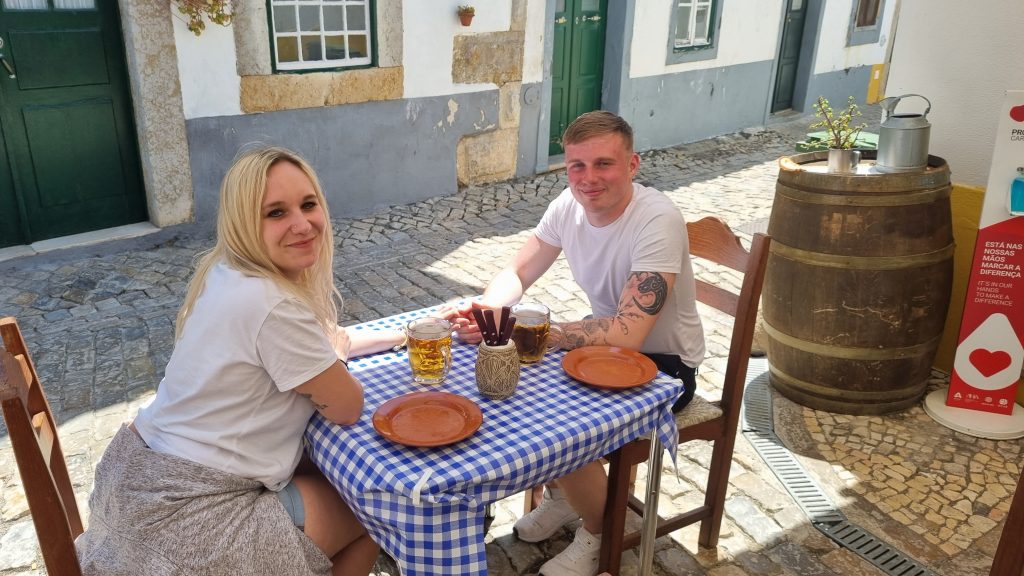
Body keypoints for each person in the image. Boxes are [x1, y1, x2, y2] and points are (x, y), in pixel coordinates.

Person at [75, 147, 406, 576]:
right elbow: (347, 406)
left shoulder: (226, 271)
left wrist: (405, 333)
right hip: (189, 525)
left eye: (308, 204)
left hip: (135, 483)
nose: (302, 224)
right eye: (276, 213)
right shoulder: (272, 305)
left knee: (321, 476)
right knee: (378, 510)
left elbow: (327, 345)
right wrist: (336, 355)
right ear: (244, 223)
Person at [444, 111, 705, 576]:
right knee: (525, 387)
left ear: (632, 165)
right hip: (606, 351)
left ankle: (600, 531)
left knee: (552, 418)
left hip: (666, 366)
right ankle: (569, 497)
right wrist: (492, 312)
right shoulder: (568, 205)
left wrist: (532, 331)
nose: (588, 179)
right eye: (577, 166)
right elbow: (518, 271)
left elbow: (630, 332)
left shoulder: (658, 218)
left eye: (603, 164)